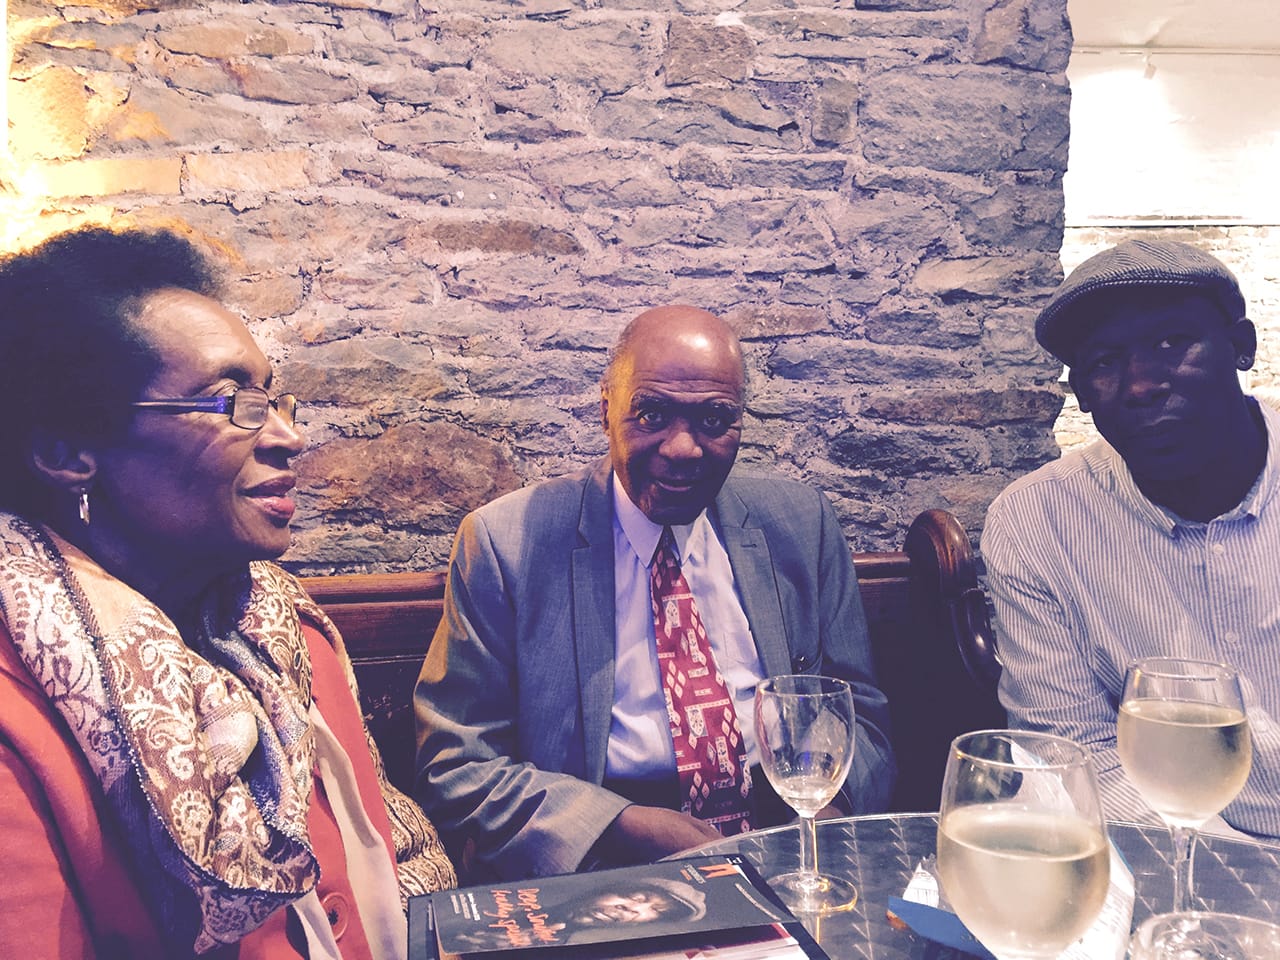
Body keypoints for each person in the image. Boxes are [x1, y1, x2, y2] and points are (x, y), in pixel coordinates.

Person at [0, 226, 455, 960]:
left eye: (276, 401)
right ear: (67, 454)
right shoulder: (18, 714)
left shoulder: (289, 636)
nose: (286, 437)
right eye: (231, 402)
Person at [415, 304, 895, 881]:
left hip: (784, 850)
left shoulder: (800, 525)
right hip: (602, 867)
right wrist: (618, 825)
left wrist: (820, 819)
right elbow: (456, 763)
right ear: (606, 412)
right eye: (652, 413)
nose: (683, 448)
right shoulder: (505, 544)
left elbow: (861, 719)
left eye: (716, 420)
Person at [982, 238, 1280, 839]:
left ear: (1241, 347)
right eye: (1104, 363)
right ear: (1085, 397)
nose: (1140, 385)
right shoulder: (1038, 522)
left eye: (1172, 343)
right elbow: (1071, 760)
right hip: (1189, 861)